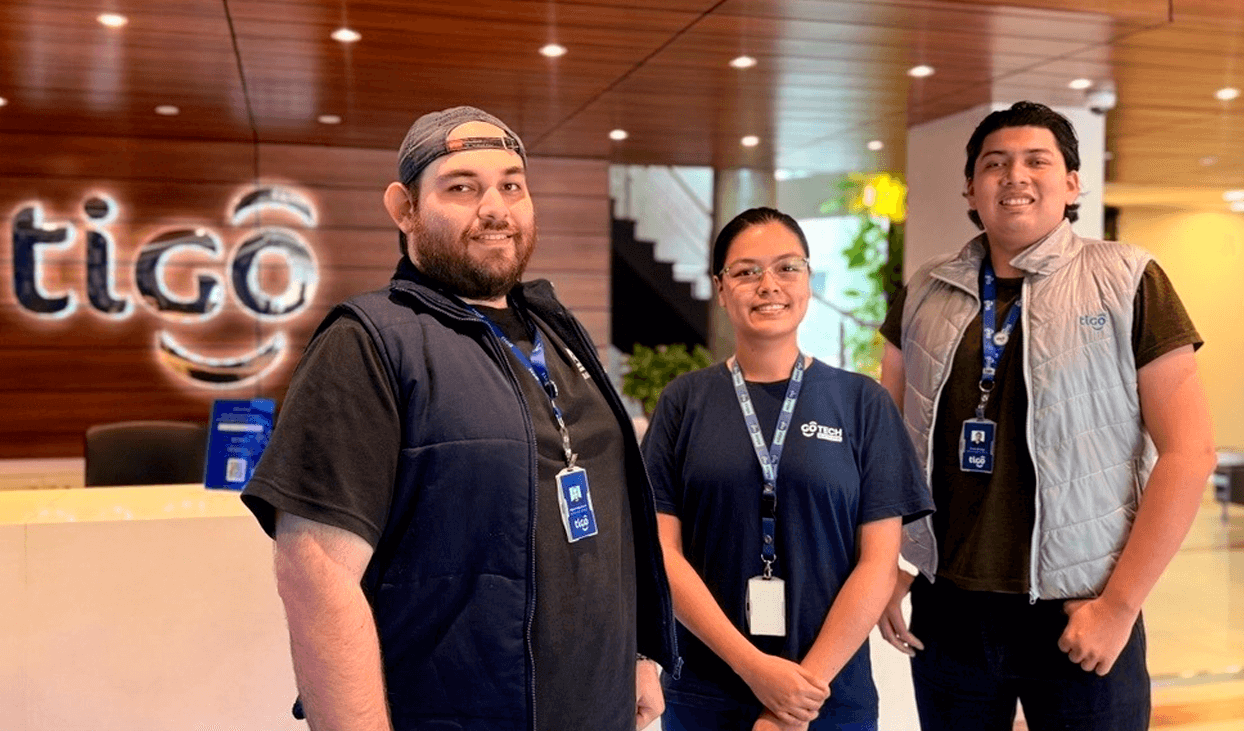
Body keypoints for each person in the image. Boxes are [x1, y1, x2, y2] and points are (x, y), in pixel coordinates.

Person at [241, 105, 678, 731]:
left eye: (511, 185)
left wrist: (639, 655)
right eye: (462, 187)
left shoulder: (557, 328)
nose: (495, 208)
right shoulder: (368, 342)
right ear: (404, 208)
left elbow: (610, 519)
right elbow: (316, 577)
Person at [876, 101, 1216, 730]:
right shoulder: (924, 290)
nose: (1015, 177)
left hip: (1077, 611)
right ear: (970, 188)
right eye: (994, 164)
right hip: (949, 610)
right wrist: (883, 568)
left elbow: (1189, 451)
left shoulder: (1126, 278)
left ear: (1072, 182)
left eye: (1038, 160)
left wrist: (1117, 607)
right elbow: (883, 447)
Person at [641, 207, 933, 731]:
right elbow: (661, 553)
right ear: (721, 286)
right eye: (746, 270)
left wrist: (794, 701)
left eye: (787, 267)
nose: (768, 285)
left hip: (827, 696)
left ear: (808, 279)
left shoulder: (861, 403)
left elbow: (878, 565)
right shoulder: (683, 401)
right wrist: (754, 670)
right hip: (706, 689)